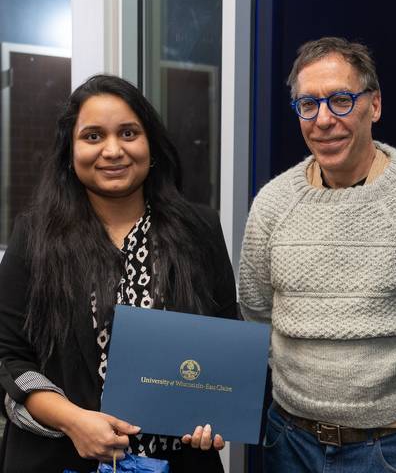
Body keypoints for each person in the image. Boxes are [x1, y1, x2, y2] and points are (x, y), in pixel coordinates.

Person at [0, 74, 237, 472]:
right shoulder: (35, 235)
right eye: (92, 136)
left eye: (128, 133)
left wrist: (216, 413)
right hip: (60, 458)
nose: (113, 150)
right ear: (70, 151)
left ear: (151, 144)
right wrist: (73, 421)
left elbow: (226, 344)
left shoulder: (200, 230)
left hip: (177, 460)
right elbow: (8, 356)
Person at [238, 37, 396, 473]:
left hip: (392, 446)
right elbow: (255, 311)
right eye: (308, 105)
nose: (324, 120)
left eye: (341, 100)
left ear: (375, 105)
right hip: (288, 441)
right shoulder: (273, 203)